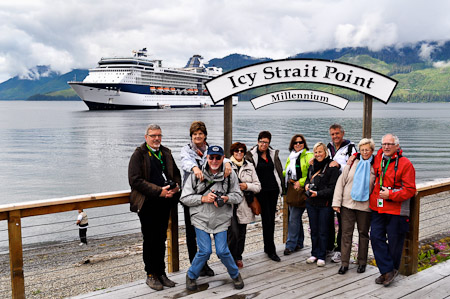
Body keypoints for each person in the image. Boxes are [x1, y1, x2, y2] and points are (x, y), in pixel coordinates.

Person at [181, 145, 244, 291]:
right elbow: (185, 197)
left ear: (223, 158)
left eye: (218, 157)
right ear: (207, 158)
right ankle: (191, 275)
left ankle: (235, 275)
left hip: (221, 218)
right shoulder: (195, 175)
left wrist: (226, 198)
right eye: (211, 157)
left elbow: (238, 196)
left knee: (222, 251)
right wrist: (203, 198)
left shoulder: (230, 175)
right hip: (200, 218)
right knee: (205, 250)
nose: (214, 161)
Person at [128, 124, 181, 291]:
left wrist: (176, 187)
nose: (156, 138)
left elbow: (176, 173)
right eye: (153, 136)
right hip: (147, 204)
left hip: (165, 203)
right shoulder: (139, 154)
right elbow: (135, 180)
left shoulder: (166, 152)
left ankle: (161, 273)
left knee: (161, 239)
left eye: (159, 135)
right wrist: (159, 191)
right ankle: (150, 274)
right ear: (146, 137)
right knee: (150, 240)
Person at [180, 121, 232, 277]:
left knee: (207, 229)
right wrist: (195, 168)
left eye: (200, 134)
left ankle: (204, 263)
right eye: (195, 134)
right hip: (193, 196)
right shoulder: (186, 149)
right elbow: (185, 162)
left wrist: (228, 162)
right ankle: (195, 264)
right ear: (191, 136)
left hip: (209, 196)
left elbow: (220, 157)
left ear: (205, 135)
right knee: (192, 232)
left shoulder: (210, 149)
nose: (197, 136)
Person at [370, 134, 416, 286]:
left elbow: (410, 189)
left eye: (390, 144)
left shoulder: (406, 164)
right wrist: (355, 155)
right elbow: (365, 152)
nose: (386, 147)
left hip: (397, 209)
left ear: (397, 146)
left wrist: (391, 194)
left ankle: (388, 272)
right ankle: (388, 270)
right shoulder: (378, 158)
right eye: (384, 144)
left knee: (395, 242)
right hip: (378, 207)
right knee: (376, 237)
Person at [332, 138, 376, 274]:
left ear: (372, 150)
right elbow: (341, 183)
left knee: (363, 234)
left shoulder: (376, 166)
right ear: (359, 150)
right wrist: (336, 203)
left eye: (367, 149)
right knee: (346, 234)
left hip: (365, 207)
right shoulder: (351, 164)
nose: (364, 152)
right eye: (362, 149)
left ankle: (362, 262)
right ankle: (344, 263)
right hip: (348, 205)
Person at [245, 131, 284, 262]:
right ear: (257, 141)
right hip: (260, 192)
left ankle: (269, 248)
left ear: (269, 143)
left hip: (273, 190)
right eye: (261, 141)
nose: (263, 144)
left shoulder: (273, 154)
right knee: (266, 219)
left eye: (266, 142)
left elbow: (279, 170)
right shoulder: (251, 155)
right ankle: (270, 249)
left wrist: (282, 187)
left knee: (270, 220)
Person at [305, 142, 340, 267]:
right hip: (311, 203)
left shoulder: (331, 167)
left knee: (323, 230)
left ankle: (321, 255)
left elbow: (332, 188)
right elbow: (308, 179)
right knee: (314, 229)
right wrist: (307, 185)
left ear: (325, 152)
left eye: (320, 151)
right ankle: (314, 253)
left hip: (324, 203)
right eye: (315, 152)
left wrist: (318, 193)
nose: (318, 154)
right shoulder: (312, 165)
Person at [227, 142, 261, 268]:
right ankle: (230, 257)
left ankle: (238, 256)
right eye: (236, 151)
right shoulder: (226, 165)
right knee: (233, 233)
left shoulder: (249, 166)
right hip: (230, 205)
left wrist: (247, 186)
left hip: (244, 204)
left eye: (241, 151)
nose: (239, 153)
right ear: (232, 152)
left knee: (242, 233)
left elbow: (258, 186)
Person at [326, 124, 357, 263]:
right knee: (327, 220)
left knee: (343, 221)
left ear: (343, 133)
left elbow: (354, 167)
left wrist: (339, 166)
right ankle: (329, 247)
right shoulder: (328, 148)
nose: (335, 136)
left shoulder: (350, 148)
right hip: (329, 189)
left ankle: (340, 251)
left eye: (337, 133)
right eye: (332, 134)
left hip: (344, 190)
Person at [283, 134, 313, 255]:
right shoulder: (291, 156)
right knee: (295, 218)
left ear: (304, 144)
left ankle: (290, 245)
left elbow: (311, 174)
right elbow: (286, 171)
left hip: (303, 190)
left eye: (300, 142)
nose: (298, 144)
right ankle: (299, 242)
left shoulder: (309, 156)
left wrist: (299, 182)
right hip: (292, 190)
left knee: (293, 219)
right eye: (295, 143)